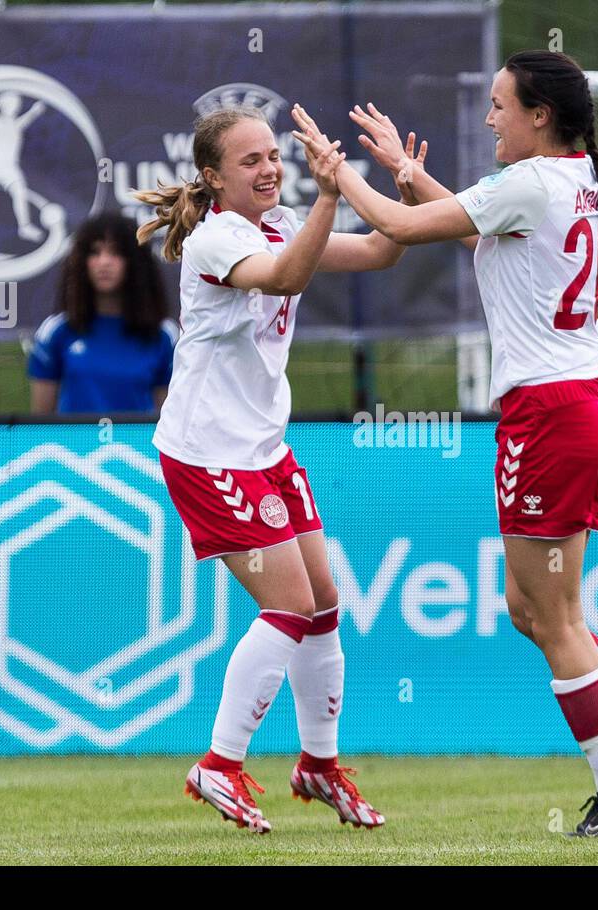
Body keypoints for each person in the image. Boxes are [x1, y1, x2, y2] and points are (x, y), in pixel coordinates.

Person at [295, 51, 598, 837]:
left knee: (551, 614)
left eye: (500, 106)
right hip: (579, 404)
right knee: (535, 606)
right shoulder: (571, 179)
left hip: (551, 414)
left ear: (540, 114)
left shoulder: (530, 183)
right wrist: (406, 170)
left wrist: (335, 175)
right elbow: (482, 236)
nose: (488, 120)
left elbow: (407, 228)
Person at [134, 104, 421, 834]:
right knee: (290, 607)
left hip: (264, 449)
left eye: (273, 155)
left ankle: (318, 767)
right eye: (250, 160)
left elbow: (385, 251)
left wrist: (404, 177)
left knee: (324, 604)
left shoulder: (283, 220)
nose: (269, 169)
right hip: (208, 453)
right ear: (213, 178)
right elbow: (287, 279)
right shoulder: (215, 239)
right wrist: (329, 196)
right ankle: (219, 765)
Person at [27, 211, 176, 415]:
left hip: (138, 447)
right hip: (73, 446)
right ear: (82, 262)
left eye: (115, 253)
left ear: (135, 263)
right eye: (95, 253)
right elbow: (40, 423)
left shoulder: (163, 336)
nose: (104, 262)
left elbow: (169, 421)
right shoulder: (56, 331)